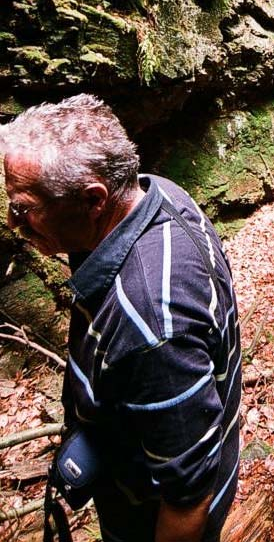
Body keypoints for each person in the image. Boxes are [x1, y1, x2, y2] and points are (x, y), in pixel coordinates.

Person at [0, 94, 241, 542]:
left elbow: (187, 497)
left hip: (153, 513)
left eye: (23, 209)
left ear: (93, 200)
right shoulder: (158, 193)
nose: (16, 226)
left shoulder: (150, 327)